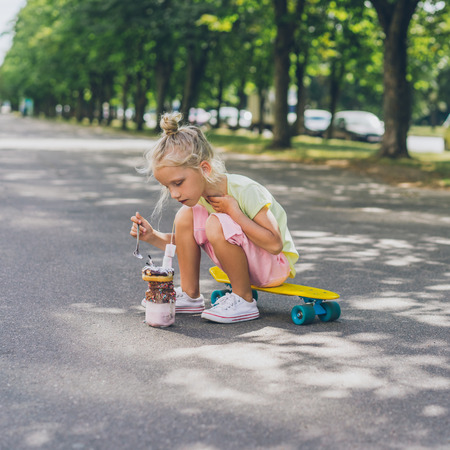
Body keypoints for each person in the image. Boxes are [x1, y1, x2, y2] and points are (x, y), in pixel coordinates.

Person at [130, 112, 299, 323]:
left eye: (178, 183)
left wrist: (234, 212)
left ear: (205, 169)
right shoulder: (198, 199)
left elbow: (275, 244)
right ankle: (191, 295)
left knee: (215, 221)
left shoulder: (246, 190)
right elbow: (185, 244)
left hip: (273, 266)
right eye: (168, 186)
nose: (174, 194)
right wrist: (152, 236)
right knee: (185, 216)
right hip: (245, 268)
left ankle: (244, 300)